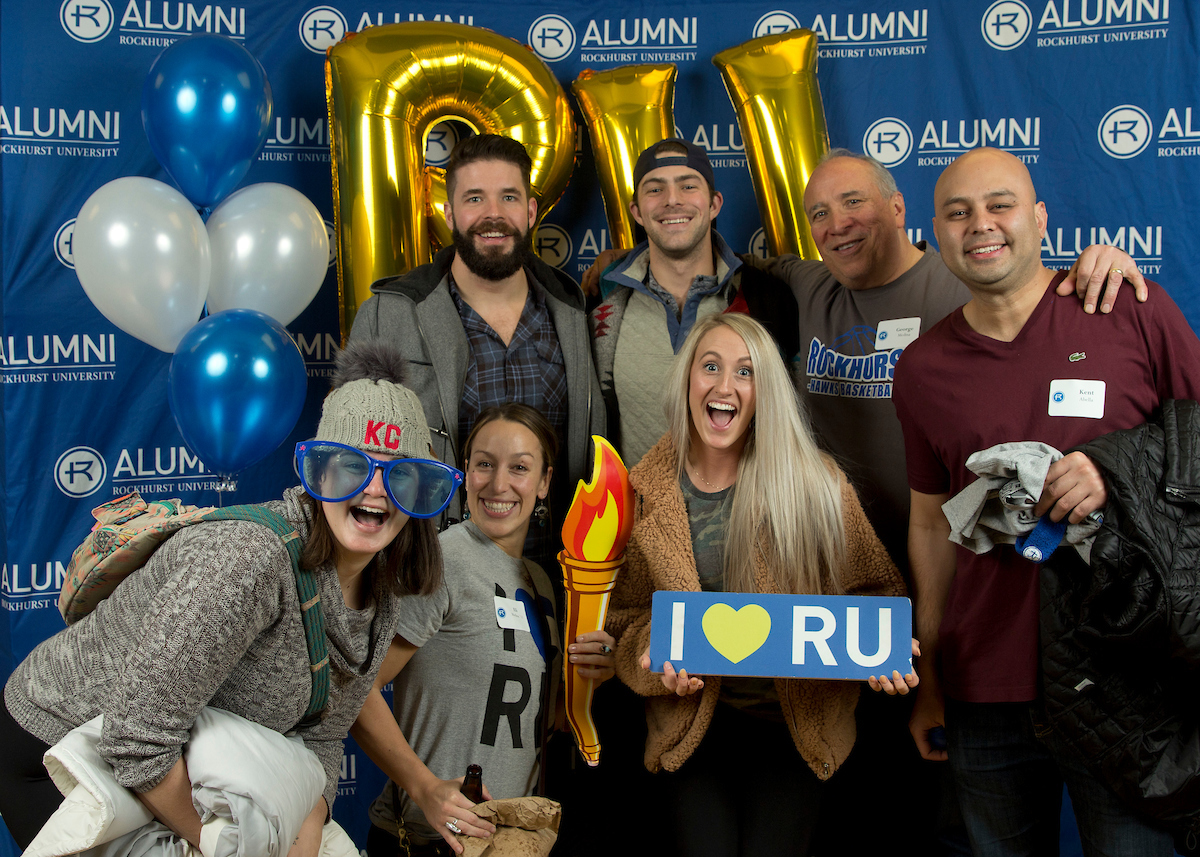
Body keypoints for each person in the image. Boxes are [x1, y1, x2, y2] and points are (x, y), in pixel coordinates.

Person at [0, 340, 456, 855]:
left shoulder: (379, 595)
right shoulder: (248, 559)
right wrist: (220, 847)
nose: (375, 490)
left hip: (166, 758)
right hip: (61, 750)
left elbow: (324, 740)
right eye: (353, 465)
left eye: (398, 473)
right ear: (318, 473)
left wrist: (309, 820)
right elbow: (136, 736)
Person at [894, 147, 1200, 855]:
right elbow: (926, 521)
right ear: (936, 235)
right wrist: (932, 675)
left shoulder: (1129, 311)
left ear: (1038, 217)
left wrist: (1116, 468)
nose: (981, 225)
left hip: (1125, 682)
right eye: (958, 212)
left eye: (999, 204)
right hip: (985, 692)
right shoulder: (923, 368)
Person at [606, 312, 915, 856]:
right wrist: (651, 655)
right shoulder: (640, 491)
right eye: (710, 367)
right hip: (691, 727)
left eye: (745, 372)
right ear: (687, 380)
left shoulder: (817, 484)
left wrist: (885, 651)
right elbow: (623, 618)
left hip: (793, 729)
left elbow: (877, 590)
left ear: (765, 390)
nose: (725, 386)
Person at [351, 404, 616, 857]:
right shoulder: (441, 561)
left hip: (509, 842)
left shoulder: (542, 582)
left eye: (519, 468)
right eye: (484, 465)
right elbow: (357, 688)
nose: (499, 484)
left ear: (545, 483)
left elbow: (522, 718)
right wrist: (425, 787)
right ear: (464, 472)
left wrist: (593, 676)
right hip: (428, 841)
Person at [348, 133, 604, 562]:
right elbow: (352, 459)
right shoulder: (388, 315)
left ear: (530, 210)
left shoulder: (572, 310)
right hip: (433, 578)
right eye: (474, 199)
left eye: (508, 197)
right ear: (448, 213)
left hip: (555, 585)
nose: (493, 215)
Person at [587, 138, 799, 469]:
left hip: (742, 514)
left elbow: (791, 419)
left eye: (688, 186)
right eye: (655, 189)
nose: (672, 200)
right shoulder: (604, 301)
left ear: (714, 204)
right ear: (637, 211)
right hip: (638, 516)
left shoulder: (765, 299)